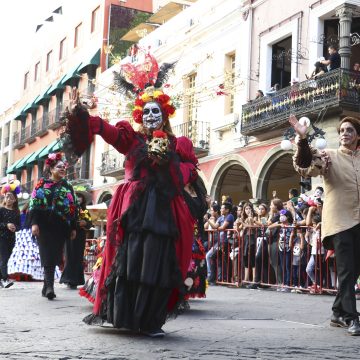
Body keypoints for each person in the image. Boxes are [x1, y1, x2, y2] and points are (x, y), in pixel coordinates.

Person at [63, 54, 200, 337]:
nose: (151, 116)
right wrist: (81, 113)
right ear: (140, 115)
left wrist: (169, 161)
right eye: (146, 112)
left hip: (163, 213)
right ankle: (125, 315)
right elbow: (106, 130)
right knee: (130, 260)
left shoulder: (177, 145)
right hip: (133, 210)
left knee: (158, 261)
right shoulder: (132, 139)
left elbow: (189, 171)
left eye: (156, 111)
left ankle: (150, 319)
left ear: (165, 114)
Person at [289, 114, 360, 335]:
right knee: (347, 271)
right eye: (341, 131)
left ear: (357, 135)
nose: (344, 134)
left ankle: (338, 312)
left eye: (349, 130)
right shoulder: (329, 156)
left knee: (354, 271)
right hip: (340, 223)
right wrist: (302, 140)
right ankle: (351, 317)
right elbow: (304, 166)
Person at [28, 152, 78, 300]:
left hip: (61, 226)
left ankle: (46, 285)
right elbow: (34, 204)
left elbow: (73, 207)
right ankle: (50, 287)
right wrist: (34, 223)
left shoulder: (68, 186)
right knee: (47, 254)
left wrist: (73, 227)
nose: (62, 169)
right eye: (59, 167)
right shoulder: (42, 184)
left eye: (64, 167)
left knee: (55, 255)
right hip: (44, 225)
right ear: (51, 169)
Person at [181, 180, 209, 309]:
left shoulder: (197, 191)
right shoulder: (178, 189)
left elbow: (201, 212)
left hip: (195, 233)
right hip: (181, 230)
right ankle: (180, 296)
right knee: (184, 266)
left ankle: (185, 295)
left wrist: (206, 204)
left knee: (195, 267)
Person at [60, 192, 92, 289]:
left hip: (80, 236)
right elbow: (65, 220)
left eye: (80, 197)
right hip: (70, 235)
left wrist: (85, 223)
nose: (78, 198)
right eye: (77, 196)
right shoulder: (69, 208)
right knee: (69, 256)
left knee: (78, 257)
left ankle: (76, 280)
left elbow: (90, 223)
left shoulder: (85, 210)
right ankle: (68, 279)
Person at [0, 182, 21, 288]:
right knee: (3, 258)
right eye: (7, 196)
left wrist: (14, 228)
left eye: (11, 197)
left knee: (6, 258)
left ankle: (1, 279)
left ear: (15, 200)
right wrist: (6, 225)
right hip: (2, 237)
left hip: (11, 238)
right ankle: (5, 279)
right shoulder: (1, 210)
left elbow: (19, 226)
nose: (9, 199)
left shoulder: (17, 212)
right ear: (4, 198)